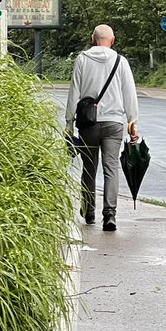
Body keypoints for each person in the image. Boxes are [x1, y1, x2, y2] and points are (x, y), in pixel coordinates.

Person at [65, 24, 139, 231]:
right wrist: (132, 122)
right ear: (112, 40)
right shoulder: (121, 61)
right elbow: (129, 94)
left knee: (89, 168)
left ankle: (89, 212)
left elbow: (74, 93)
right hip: (114, 123)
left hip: (88, 123)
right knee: (111, 169)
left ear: (92, 38)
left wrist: (69, 123)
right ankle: (110, 215)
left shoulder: (82, 59)